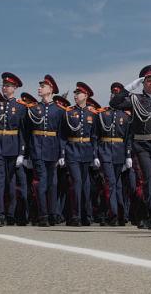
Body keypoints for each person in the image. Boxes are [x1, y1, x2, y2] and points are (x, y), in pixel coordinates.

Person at [111, 65, 151, 230]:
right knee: (149, 180)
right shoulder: (136, 99)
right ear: (143, 83)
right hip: (142, 145)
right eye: (148, 81)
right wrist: (130, 87)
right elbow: (114, 102)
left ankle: (143, 214)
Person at [0, 73, 27, 226]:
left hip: (13, 147)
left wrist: (22, 152)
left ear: (14, 88)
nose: (5, 87)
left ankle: (10, 213)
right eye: (3, 85)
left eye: (8, 86)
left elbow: (23, 131)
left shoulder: (21, 107)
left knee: (10, 183)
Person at [26, 75, 65, 226]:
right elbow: (27, 132)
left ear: (50, 90)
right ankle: (43, 215)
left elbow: (62, 134)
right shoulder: (33, 109)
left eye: (42, 86)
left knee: (53, 183)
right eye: (40, 86)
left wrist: (62, 153)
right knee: (41, 182)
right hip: (37, 149)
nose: (39, 88)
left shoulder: (59, 110)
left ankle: (53, 213)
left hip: (53, 150)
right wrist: (27, 153)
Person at [61, 82, 100, 226]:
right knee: (76, 183)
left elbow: (95, 136)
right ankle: (75, 216)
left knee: (86, 184)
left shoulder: (92, 113)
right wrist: (62, 153)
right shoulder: (69, 112)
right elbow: (63, 135)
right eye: (75, 93)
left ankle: (86, 215)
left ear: (86, 96)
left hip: (87, 151)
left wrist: (95, 155)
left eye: (79, 94)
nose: (76, 96)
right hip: (72, 150)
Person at [96, 83, 131, 226]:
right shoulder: (102, 114)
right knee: (110, 183)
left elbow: (128, 137)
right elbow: (95, 136)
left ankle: (119, 214)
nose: (114, 96)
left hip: (119, 152)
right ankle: (114, 215)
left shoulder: (126, 116)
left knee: (117, 185)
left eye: (117, 94)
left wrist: (128, 155)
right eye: (113, 94)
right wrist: (95, 155)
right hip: (105, 151)